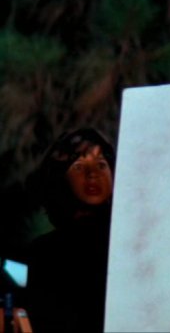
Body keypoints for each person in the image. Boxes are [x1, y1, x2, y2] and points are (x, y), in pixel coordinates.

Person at [25, 128, 115, 333]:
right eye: (79, 166)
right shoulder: (42, 253)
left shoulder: (132, 240)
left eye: (101, 165)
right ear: (60, 178)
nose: (93, 174)